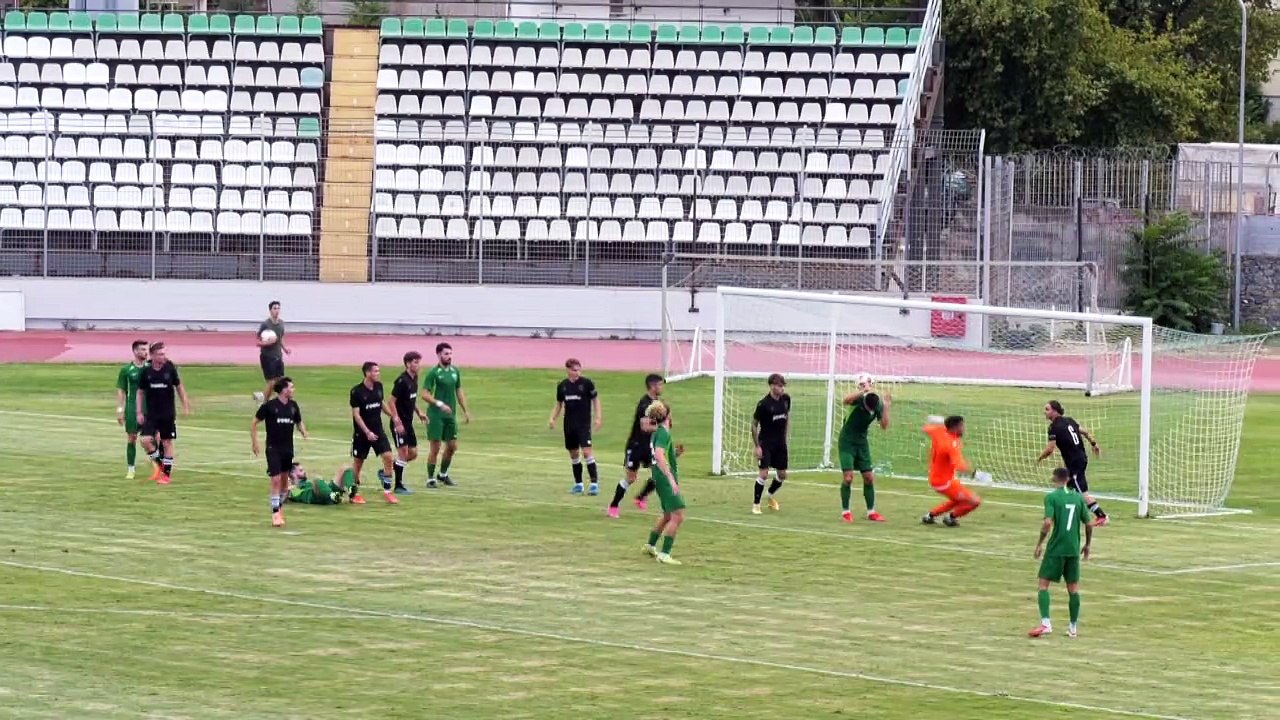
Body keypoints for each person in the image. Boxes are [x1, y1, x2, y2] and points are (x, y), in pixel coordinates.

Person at [1029, 467, 1094, 638]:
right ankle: (1073, 627)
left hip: (1056, 548)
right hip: (1073, 549)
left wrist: (1039, 544)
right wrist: (1087, 544)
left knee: (1043, 584)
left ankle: (1046, 623)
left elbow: (1047, 523)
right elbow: (1088, 524)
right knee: (1073, 588)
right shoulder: (1078, 498)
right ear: (1068, 479)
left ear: (1054, 479)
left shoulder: (1051, 498)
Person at [1037, 400, 1108, 525]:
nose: (1044, 412)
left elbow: (1050, 449)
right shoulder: (1070, 420)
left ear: (1055, 411)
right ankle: (1066, 514)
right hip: (1080, 458)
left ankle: (1101, 516)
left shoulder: (1053, 428)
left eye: (1047, 409)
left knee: (1082, 492)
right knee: (1067, 488)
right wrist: (1094, 444)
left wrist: (1040, 457)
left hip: (1074, 462)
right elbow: (1085, 432)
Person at [606, 373, 666, 518]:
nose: (661, 387)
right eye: (659, 385)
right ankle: (613, 506)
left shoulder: (657, 403)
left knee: (660, 474)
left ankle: (641, 497)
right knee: (631, 478)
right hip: (636, 446)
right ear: (652, 386)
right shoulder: (644, 404)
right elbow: (645, 427)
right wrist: (661, 426)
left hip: (648, 445)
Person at [250, 377, 308, 527]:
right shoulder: (270, 406)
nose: (293, 390)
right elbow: (254, 422)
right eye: (291, 387)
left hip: (287, 449)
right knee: (275, 480)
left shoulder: (293, 406)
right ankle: (275, 513)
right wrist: (254, 442)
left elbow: (298, 421)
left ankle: (278, 507)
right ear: (283, 390)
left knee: (284, 483)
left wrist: (303, 431)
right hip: (273, 448)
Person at [135, 342, 192, 485]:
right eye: (160, 354)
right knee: (145, 440)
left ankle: (166, 475)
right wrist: (139, 412)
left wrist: (185, 405)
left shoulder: (170, 367)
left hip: (167, 413)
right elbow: (140, 392)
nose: (164, 356)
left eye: (164, 353)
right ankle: (160, 464)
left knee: (167, 442)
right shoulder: (146, 371)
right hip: (151, 414)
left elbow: (179, 386)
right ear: (152, 355)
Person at [836, 379, 890, 523]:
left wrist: (886, 407)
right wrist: (862, 391)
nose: (870, 411)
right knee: (848, 478)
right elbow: (845, 400)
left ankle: (871, 512)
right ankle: (846, 512)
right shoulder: (859, 399)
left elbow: (884, 426)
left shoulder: (877, 404)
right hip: (847, 442)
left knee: (869, 477)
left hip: (862, 443)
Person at [549, 358, 603, 495]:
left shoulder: (587, 383)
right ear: (568, 370)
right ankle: (578, 484)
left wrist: (598, 417)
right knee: (573, 454)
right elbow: (559, 404)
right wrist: (552, 418)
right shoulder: (562, 386)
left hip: (583, 424)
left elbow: (595, 400)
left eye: (579, 370)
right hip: (569, 425)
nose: (577, 372)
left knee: (587, 452)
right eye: (574, 370)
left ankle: (594, 484)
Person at [348, 361, 400, 504]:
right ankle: (354, 494)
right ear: (367, 373)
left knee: (388, 457)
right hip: (362, 434)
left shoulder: (379, 386)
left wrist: (393, 417)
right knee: (358, 463)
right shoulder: (356, 391)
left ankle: (388, 492)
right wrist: (367, 432)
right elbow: (356, 414)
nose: (378, 373)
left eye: (378, 371)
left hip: (378, 430)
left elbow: (381, 403)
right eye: (375, 371)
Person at [642, 401, 686, 565]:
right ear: (667, 415)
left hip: (658, 476)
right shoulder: (663, 434)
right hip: (664, 477)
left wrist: (674, 454)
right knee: (678, 515)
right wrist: (670, 478)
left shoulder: (658, 433)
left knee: (668, 514)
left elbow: (661, 454)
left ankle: (650, 545)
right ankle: (664, 553)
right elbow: (659, 456)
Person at [422, 342, 471, 488]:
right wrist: (439, 404)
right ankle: (430, 478)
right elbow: (424, 394)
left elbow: (459, 390)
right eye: (446, 354)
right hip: (435, 415)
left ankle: (443, 474)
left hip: (450, 415)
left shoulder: (455, 371)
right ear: (438, 355)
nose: (449, 356)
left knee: (452, 446)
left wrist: (465, 410)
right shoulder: (433, 373)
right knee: (435, 447)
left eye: (450, 354)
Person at [920, 415, 982, 526]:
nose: (964, 429)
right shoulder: (951, 444)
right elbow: (959, 465)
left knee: (958, 499)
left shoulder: (939, 431)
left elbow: (925, 428)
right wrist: (975, 474)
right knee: (974, 501)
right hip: (944, 482)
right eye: (962, 426)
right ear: (955, 427)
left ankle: (930, 516)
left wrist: (935, 421)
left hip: (937, 478)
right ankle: (951, 518)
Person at [751, 373, 791, 514]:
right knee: (763, 474)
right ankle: (756, 505)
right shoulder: (763, 404)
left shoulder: (786, 400)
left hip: (780, 443)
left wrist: (785, 437)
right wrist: (757, 446)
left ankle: (769, 495)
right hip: (766, 443)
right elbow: (754, 424)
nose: (782, 388)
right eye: (779, 386)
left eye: (783, 386)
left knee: (782, 475)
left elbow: (786, 417)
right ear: (772, 386)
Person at [391, 351, 428, 495]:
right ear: (407, 364)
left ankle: (389, 468)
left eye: (419, 362)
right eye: (415, 362)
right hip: (399, 423)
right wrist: (396, 420)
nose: (418, 365)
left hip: (408, 422)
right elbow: (391, 402)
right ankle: (398, 486)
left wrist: (419, 412)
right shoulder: (401, 381)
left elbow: (411, 399)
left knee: (412, 453)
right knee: (403, 453)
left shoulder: (414, 379)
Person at [115, 339, 150, 479]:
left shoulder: (150, 368)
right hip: (132, 407)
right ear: (135, 351)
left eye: (147, 349)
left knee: (154, 438)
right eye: (143, 349)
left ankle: (158, 466)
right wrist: (120, 409)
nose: (146, 352)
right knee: (132, 437)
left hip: (149, 406)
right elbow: (121, 390)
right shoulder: (126, 370)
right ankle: (131, 469)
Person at [254, 300, 290, 402]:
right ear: (270, 310)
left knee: (280, 381)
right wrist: (267, 342)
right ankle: (264, 402)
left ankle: (268, 399)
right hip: (267, 357)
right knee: (271, 382)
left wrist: (285, 349)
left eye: (278, 308)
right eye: (274, 308)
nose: (277, 310)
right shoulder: (266, 324)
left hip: (278, 356)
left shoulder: (281, 323)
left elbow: (280, 338)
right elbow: (258, 341)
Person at [285, 463, 359, 506]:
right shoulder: (291, 489)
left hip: (327, 492)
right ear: (292, 474)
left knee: (345, 468)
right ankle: (333, 496)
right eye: (301, 470)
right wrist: (288, 487)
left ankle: (351, 491)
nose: (304, 472)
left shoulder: (307, 483)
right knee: (317, 479)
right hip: (316, 497)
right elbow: (284, 498)